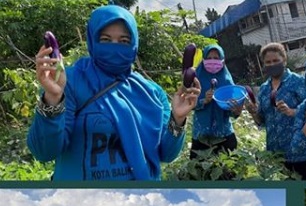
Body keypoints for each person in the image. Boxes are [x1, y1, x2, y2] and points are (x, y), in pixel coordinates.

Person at [27, 4, 200, 181]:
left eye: (124, 41)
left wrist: (178, 119)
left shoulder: (152, 93)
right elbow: (44, 151)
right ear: (92, 41)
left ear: (134, 43)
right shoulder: (69, 82)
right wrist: (53, 98)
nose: (115, 47)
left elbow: (166, 154)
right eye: (105, 40)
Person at [245, 43, 306, 179]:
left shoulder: (298, 82)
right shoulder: (264, 89)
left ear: (284, 60)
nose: (272, 64)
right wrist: (253, 113)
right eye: (268, 62)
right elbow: (262, 121)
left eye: (276, 61)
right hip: (275, 156)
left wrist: (292, 111)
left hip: (300, 152)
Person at [190, 44, 242, 157]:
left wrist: (236, 110)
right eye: (208, 58)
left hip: (224, 135)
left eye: (216, 58)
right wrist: (203, 100)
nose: (212, 61)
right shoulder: (195, 80)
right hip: (201, 136)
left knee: (228, 171)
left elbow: (233, 112)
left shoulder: (227, 82)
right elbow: (189, 104)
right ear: (203, 59)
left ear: (222, 60)